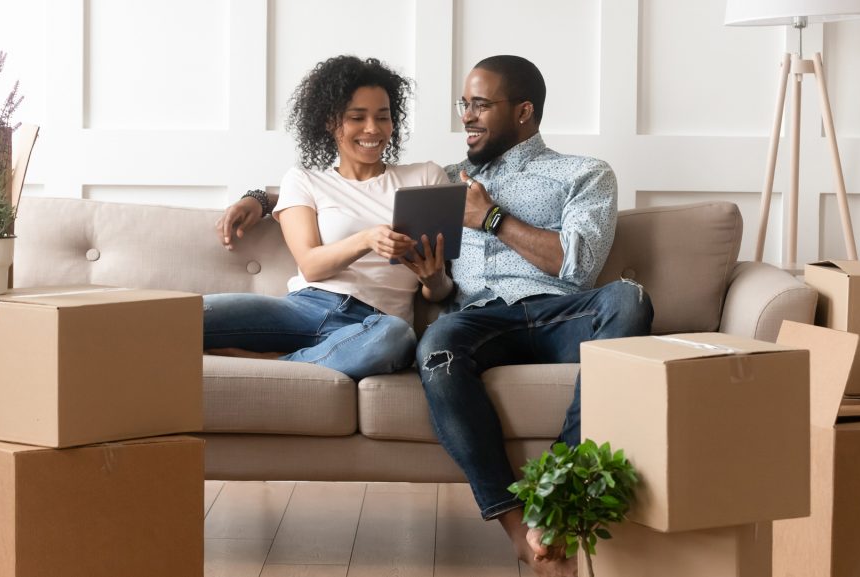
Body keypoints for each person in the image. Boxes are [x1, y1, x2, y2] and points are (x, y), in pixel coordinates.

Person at [218, 55, 653, 577]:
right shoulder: (447, 180)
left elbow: (580, 267)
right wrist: (257, 197)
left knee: (629, 298)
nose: (466, 117)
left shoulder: (584, 173)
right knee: (437, 347)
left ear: (523, 111)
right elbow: (347, 185)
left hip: (563, 311)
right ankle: (522, 527)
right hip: (481, 321)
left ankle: (556, 488)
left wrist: (490, 217)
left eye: (480, 105)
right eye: (463, 104)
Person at [203, 55, 454, 382]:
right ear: (330, 121)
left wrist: (434, 281)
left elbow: (440, 288)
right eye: (357, 117)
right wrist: (366, 239)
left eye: (383, 117)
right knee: (182, 315)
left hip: (374, 323)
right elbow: (311, 264)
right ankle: (310, 361)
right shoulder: (305, 180)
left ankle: (274, 365)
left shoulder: (426, 177)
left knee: (397, 339)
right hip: (303, 308)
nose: (372, 129)